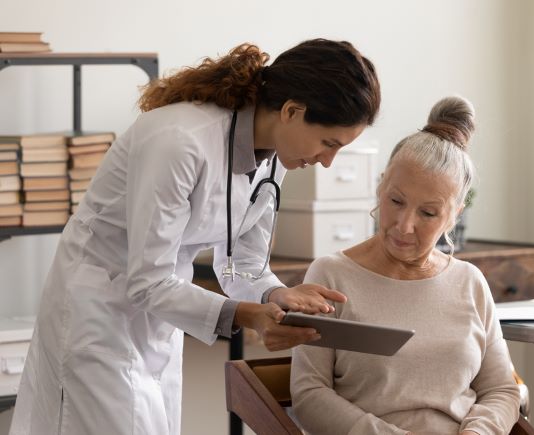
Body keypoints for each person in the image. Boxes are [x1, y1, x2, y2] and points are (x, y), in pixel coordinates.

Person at [9, 39, 381, 435]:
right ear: (291, 111)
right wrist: (245, 314)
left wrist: (276, 296)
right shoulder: (179, 141)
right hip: (96, 310)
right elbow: (147, 280)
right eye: (329, 144)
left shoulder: (275, 158)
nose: (327, 162)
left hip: (160, 311)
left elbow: (243, 263)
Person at [291, 96, 520, 435]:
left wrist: (478, 432)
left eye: (428, 213)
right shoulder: (331, 276)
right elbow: (309, 395)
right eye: (395, 201)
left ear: (454, 216)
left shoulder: (469, 281)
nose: (404, 225)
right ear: (380, 185)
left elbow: (501, 389)